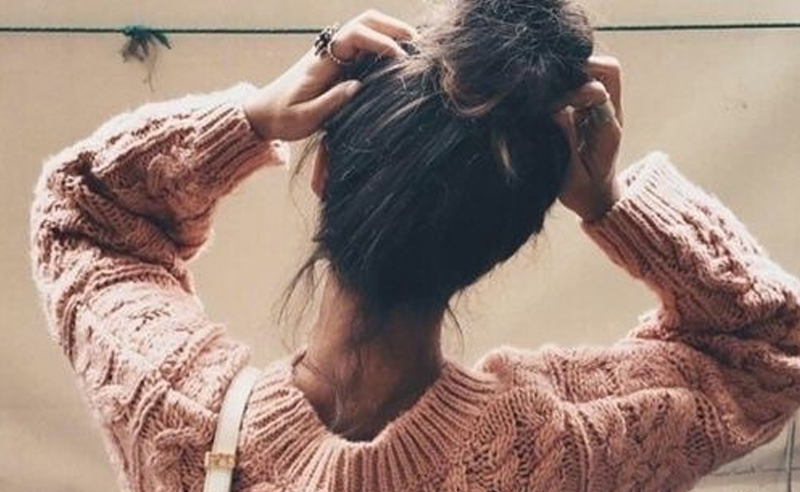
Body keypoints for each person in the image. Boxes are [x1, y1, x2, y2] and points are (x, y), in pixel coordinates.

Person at [29, 2, 800, 492]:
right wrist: (609, 201)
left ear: (323, 172)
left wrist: (251, 121)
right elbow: (772, 346)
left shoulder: (174, 412)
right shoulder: (561, 452)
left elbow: (82, 215)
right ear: (506, 241)